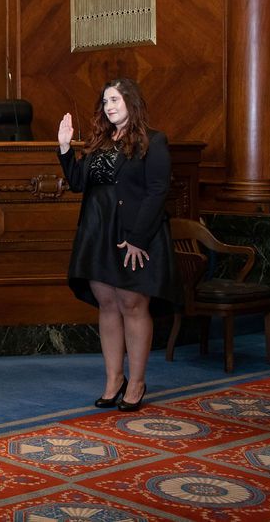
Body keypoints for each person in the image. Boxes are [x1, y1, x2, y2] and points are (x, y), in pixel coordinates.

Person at [57, 77, 180, 412]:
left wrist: (138, 239)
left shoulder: (154, 140)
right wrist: (65, 148)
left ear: (131, 102)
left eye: (115, 100)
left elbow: (157, 191)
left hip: (135, 233)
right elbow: (78, 183)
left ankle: (136, 382)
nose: (109, 106)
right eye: (106, 101)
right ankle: (114, 380)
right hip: (98, 232)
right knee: (108, 304)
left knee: (132, 303)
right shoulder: (100, 140)